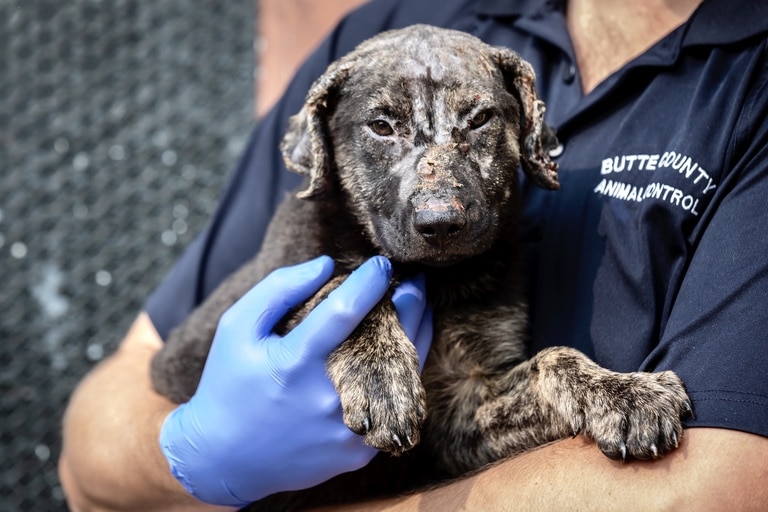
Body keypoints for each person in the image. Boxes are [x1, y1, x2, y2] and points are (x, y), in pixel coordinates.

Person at [59, 0, 768, 510]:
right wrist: (190, 455)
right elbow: (98, 440)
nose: (440, 202)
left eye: (479, 122)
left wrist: (571, 383)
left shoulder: (749, 82)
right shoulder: (371, 36)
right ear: (325, 148)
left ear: (528, 130)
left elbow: (719, 491)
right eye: (385, 129)